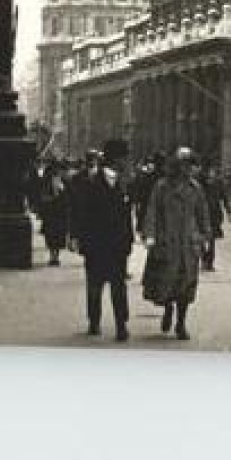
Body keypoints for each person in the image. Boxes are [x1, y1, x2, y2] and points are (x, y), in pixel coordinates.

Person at [141, 147, 211, 340]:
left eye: (190, 165)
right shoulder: (161, 187)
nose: (187, 169)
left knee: (186, 285)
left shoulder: (195, 188)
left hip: (188, 244)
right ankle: (168, 309)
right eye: (183, 165)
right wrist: (150, 234)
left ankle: (181, 323)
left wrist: (206, 237)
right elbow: (152, 211)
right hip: (167, 242)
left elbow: (203, 214)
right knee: (166, 282)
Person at [70, 139, 135, 340]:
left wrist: (128, 240)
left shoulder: (125, 183)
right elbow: (82, 213)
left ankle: (121, 325)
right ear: (116, 159)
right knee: (95, 284)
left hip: (116, 243)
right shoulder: (91, 182)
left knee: (118, 285)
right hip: (96, 242)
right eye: (124, 157)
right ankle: (94, 322)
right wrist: (79, 239)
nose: (127, 161)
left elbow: (126, 216)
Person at [38, 158, 73, 267]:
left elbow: (69, 195)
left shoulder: (65, 180)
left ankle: (56, 256)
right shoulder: (46, 180)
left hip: (60, 212)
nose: (57, 171)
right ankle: (52, 255)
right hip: (50, 211)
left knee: (58, 235)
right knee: (50, 235)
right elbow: (42, 195)